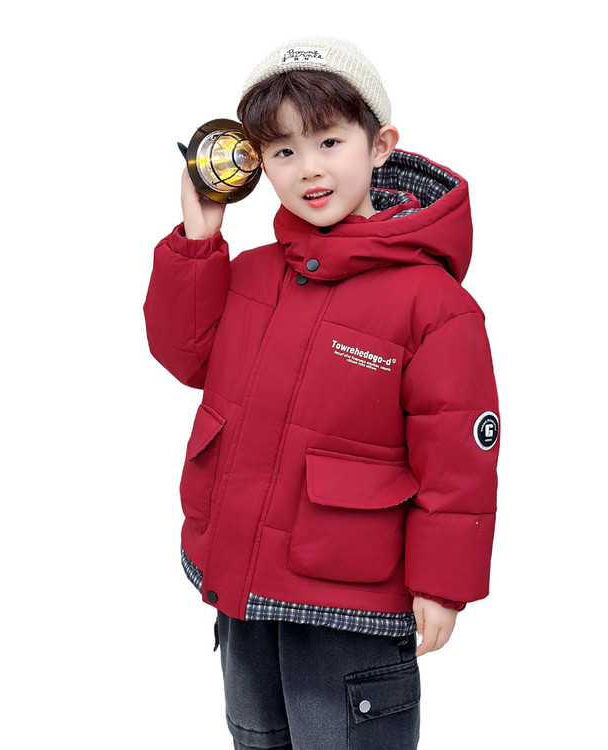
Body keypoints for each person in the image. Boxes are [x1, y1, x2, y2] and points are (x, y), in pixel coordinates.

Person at [144, 37, 500, 750]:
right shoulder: (252, 274)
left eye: (329, 141)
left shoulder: (433, 304)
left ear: (380, 146)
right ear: (255, 165)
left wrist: (442, 582)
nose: (308, 168)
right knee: (257, 738)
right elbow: (185, 355)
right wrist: (199, 237)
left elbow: (458, 459)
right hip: (245, 588)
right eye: (282, 151)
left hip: (350, 601)